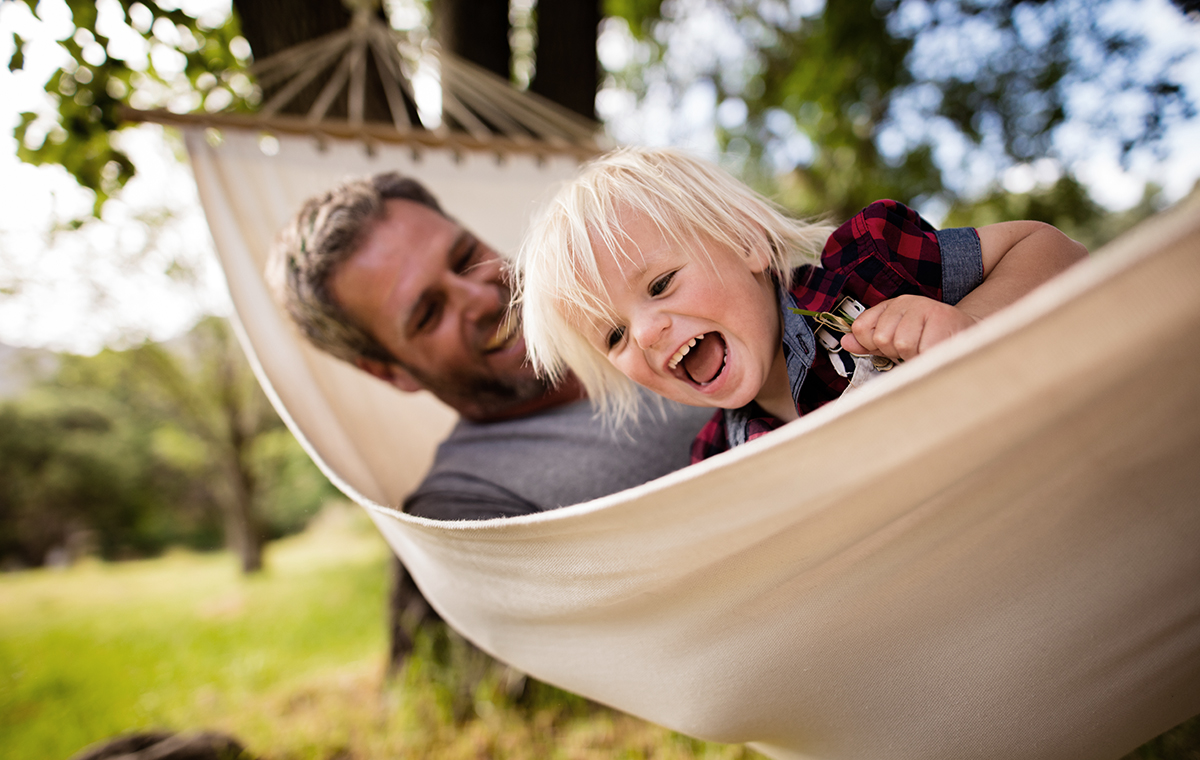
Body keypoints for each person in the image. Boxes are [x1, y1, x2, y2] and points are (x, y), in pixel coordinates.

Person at [516, 147, 1088, 462]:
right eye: (613, 336)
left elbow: (1050, 248)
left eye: (661, 284)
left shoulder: (871, 274)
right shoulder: (719, 466)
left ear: (746, 243)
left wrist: (972, 323)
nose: (642, 333)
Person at [268, 171, 713, 520]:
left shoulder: (657, 308)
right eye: (429, 313)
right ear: (392, 372)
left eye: (465, 259)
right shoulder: (471, 503)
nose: (482, 298)